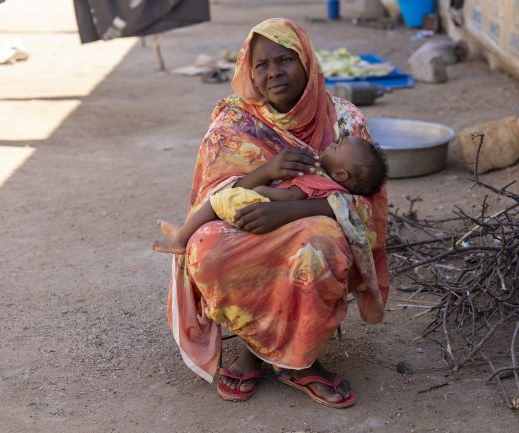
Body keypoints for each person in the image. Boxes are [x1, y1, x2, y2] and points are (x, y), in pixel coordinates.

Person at [166, 17, 389, 409]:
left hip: (307, 226)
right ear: (248, 71)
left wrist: (288, 213)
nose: (274, 73)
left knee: (320, 247)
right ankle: (254, 346)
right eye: (262, 65)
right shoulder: (233, 121)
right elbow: (212, 194)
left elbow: (367, 205)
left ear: (307, 61)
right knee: (206, 249)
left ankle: (300, 361)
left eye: (285, 60)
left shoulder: (344, 120)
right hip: (242, 221)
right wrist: (263, 175)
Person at [152, 136, 387, 255]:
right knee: (220, 201)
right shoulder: (330, 186)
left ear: (341, 174)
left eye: (336, 148)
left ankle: (180, 239)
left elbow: (290, 198)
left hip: (263, 207)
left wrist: (263, 190)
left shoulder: (319, 182)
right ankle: (185, 231)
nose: (331, 145)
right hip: (264, 210)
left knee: (218, 199)